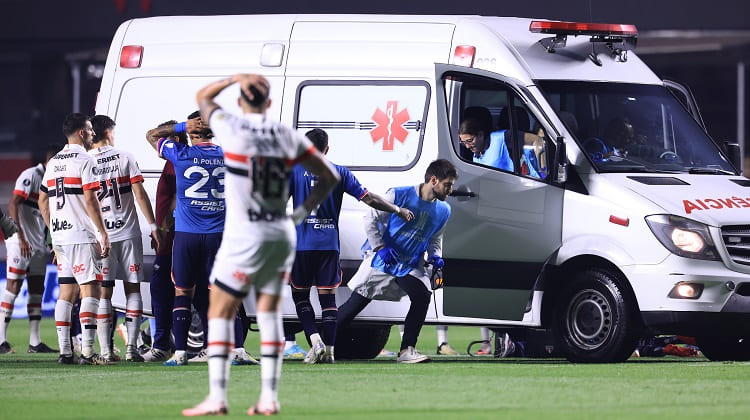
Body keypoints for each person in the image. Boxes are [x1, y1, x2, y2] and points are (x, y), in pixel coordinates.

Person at [182, 73, 339, 416]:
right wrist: (298, 214)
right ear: (268, 104)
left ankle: (218, 397)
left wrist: (235, 77)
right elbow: (330, 177)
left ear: (241, 102)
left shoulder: (232, 127)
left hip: (244, 233)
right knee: (269, 313)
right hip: (280, 233)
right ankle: (269, 397)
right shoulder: (286, 135)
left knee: (220, 311)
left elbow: (203, 97)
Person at [288, 128, 413, 364]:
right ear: (327, 149)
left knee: (301, 297)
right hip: (328, 247)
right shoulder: (340, 172)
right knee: (328, 301)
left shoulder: (293, 170)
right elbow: (369, 199)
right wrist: (397, 209)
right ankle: (331, 351)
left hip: (302, 246)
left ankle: (315, 342)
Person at [337, 159, 456, 364]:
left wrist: (436, 256)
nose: (450, 190)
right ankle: (322, 343)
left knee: (421, 295)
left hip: (409, 266)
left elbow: (434, 239)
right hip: (383, 262)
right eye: (447, 184)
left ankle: (406, 350)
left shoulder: (444, 210)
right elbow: (370, 220)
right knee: (353, 307)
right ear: (433, 180)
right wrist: (381, 247)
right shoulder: (398, 195)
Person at [145, 111, 223, 367]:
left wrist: (181, 125)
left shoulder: (181, 155)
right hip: (217, 235)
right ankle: (217, 348)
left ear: (190, 134)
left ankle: (179, 353)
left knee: (182, 291)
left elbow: (151, 135)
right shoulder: (228, 155)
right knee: (216, 293)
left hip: (186, 235)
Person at [38, 113, 111, 365]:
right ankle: (89, 353)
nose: (93, 134)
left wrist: (53, 230)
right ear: (82, 132)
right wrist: (102, 232)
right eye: (90, 130)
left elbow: (42, 200)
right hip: (80, 234)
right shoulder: (85, 160)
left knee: (66, 292)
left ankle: (65, 353)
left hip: (60, 237)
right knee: (91, 288)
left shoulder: (54, 161)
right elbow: (91, 199)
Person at [88, 115, 160, 363]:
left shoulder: (87, 163)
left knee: (104, 294)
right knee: (132, 289)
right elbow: (139, 194)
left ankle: (107, 352)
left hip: (102, 236)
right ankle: (131, 348)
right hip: (128, 233)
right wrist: (153, 226)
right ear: (108, 132)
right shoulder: (125, 157)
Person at [0, 145, 59, 354]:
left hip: (38, 244)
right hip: (20, 242)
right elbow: (13, 204)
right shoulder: (31, 175)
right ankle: (0, 340)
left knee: (36, 290)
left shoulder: (53, 181)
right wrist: (20, 237)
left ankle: (35, 342)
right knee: (13, 287)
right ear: (51, 160)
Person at [141, 120, 184, 362]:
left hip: (173, 240)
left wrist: (164, 227)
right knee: (166, 292)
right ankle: (164, 344)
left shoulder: (175, 163)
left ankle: (163, 345)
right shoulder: (172, 163)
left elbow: (178, 200)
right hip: (171, 238)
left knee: (164, 292)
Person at [458, 107, 513, 171]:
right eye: (464, 143)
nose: (467, 146)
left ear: (480, 134)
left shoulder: (500, 138)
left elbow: (525, 138)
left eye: (470, 140)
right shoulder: (476, 155)